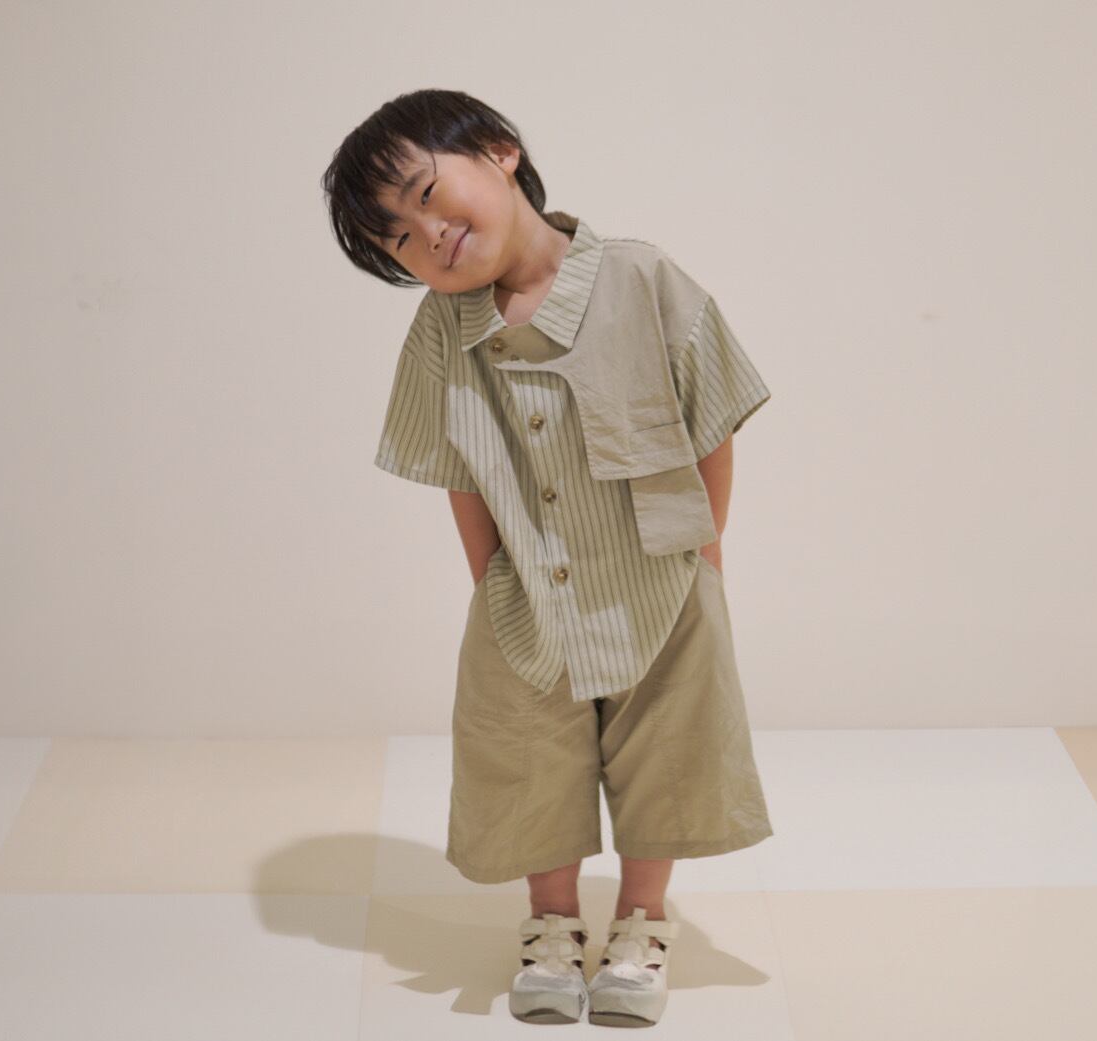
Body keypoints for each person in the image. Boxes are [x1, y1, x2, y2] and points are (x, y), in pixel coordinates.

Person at [322, 88, 774, 1027]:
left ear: (500, 152)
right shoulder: (444, 332)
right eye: (398, 237)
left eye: (427, 194)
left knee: (668, 749)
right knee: (527, 751)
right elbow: (459, 468)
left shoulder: (643, 279)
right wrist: (494, 581)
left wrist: (706, 556)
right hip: (525, 589)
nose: (429, 234)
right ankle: (554, 923)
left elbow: (711, 425)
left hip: (662, 575)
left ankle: (642, 922)